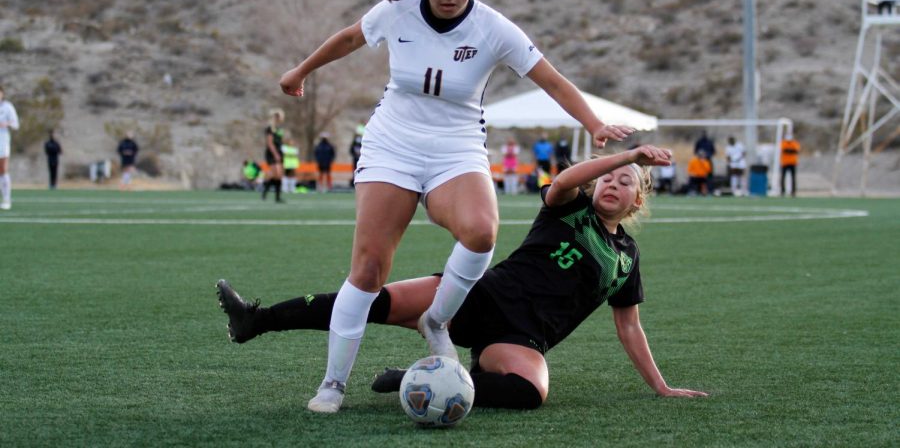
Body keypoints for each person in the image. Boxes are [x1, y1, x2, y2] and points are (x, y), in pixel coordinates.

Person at [273, 0, 633, 414]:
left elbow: (551, 80)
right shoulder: (396, 12)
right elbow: (350, 38)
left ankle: (437, 320)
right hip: (392, 146)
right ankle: (333, 384)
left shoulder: (493, 27)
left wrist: (593, 124)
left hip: (456, 149)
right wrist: (301, 70)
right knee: (370, 269)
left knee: (482, 232)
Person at [216, 145, 707, 409]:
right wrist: (626, 156)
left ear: (637, 201)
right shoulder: (569, 208)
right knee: (371, 299)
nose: (613, 185)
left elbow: (629, 327)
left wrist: (661, 387)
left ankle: (416, 378)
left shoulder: (626, 257)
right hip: (480, 296)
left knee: (531, 393)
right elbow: (562, 182)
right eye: (608, 178)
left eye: (625, 183)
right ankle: (254, 320)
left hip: (522, 337)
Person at [0, 85, 20, 210]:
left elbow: (16, 124)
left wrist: (5, 124)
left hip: (2, 142)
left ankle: (7, 199)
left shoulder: (7, 107)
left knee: (3, 170)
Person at [262, 109, 285, 202]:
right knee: (274, 173)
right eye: (277, 116)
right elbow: (270, 143)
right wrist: (275, 154)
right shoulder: (270, 129)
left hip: (279, 152)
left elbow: (280, 142)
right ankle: (265, 192)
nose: (278, 118)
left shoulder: (279, 129)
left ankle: (277, 197)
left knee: (278, 175)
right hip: (272, 153)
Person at [780, 132, 800, 197]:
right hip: (785, 163)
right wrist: (790, 150)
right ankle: (782, 191)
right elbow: (785, 150)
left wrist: (790, 150)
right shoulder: (783, 143)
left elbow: (796, 150)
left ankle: (793, 192)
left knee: (793, 178)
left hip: (793, 163)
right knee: (783, 177)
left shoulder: (794, 143)